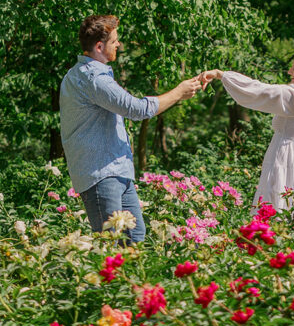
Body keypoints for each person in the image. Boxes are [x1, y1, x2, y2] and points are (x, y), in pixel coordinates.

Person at [59, 14, 202, 243]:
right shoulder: (94, 78)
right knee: (111, 244)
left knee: (134, 237)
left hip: (116, 170)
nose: (119, 44)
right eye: (114, 40)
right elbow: (135, 109)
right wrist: (178, 93)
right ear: (99, 46)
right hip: (102, 173)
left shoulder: (86, 74)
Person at [199, 50, 294, 211]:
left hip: (283, 158)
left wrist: (221, 74)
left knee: (276, 206)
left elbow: (258, 90)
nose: (290, 71)